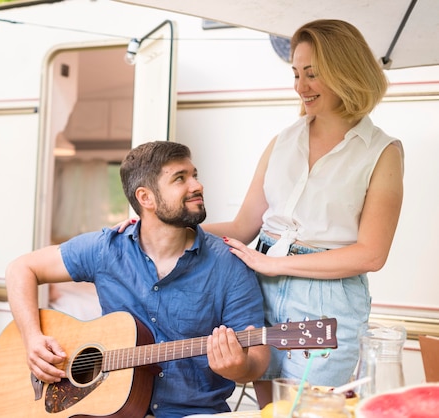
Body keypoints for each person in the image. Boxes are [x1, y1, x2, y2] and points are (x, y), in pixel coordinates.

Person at [117, 20, 404, 407]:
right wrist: (151, 225)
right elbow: (243, 226)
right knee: (269, 411)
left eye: (313, 74)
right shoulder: (283, 141)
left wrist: (277, 266)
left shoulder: (381, 151)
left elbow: (372, 254)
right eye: (296, 73)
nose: (300, 86)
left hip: (324, 298)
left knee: (307, 411)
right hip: (259, 285)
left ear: (346, 71)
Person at [5, 141, 270, 417]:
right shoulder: (106, 249)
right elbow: (20, 269)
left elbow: (259, 354)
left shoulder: (230, 263)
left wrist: (240, 368)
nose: (196, 186)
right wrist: (33, 339)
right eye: (180, 178)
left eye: (195, 175)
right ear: (146, 198)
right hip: (109, 410)